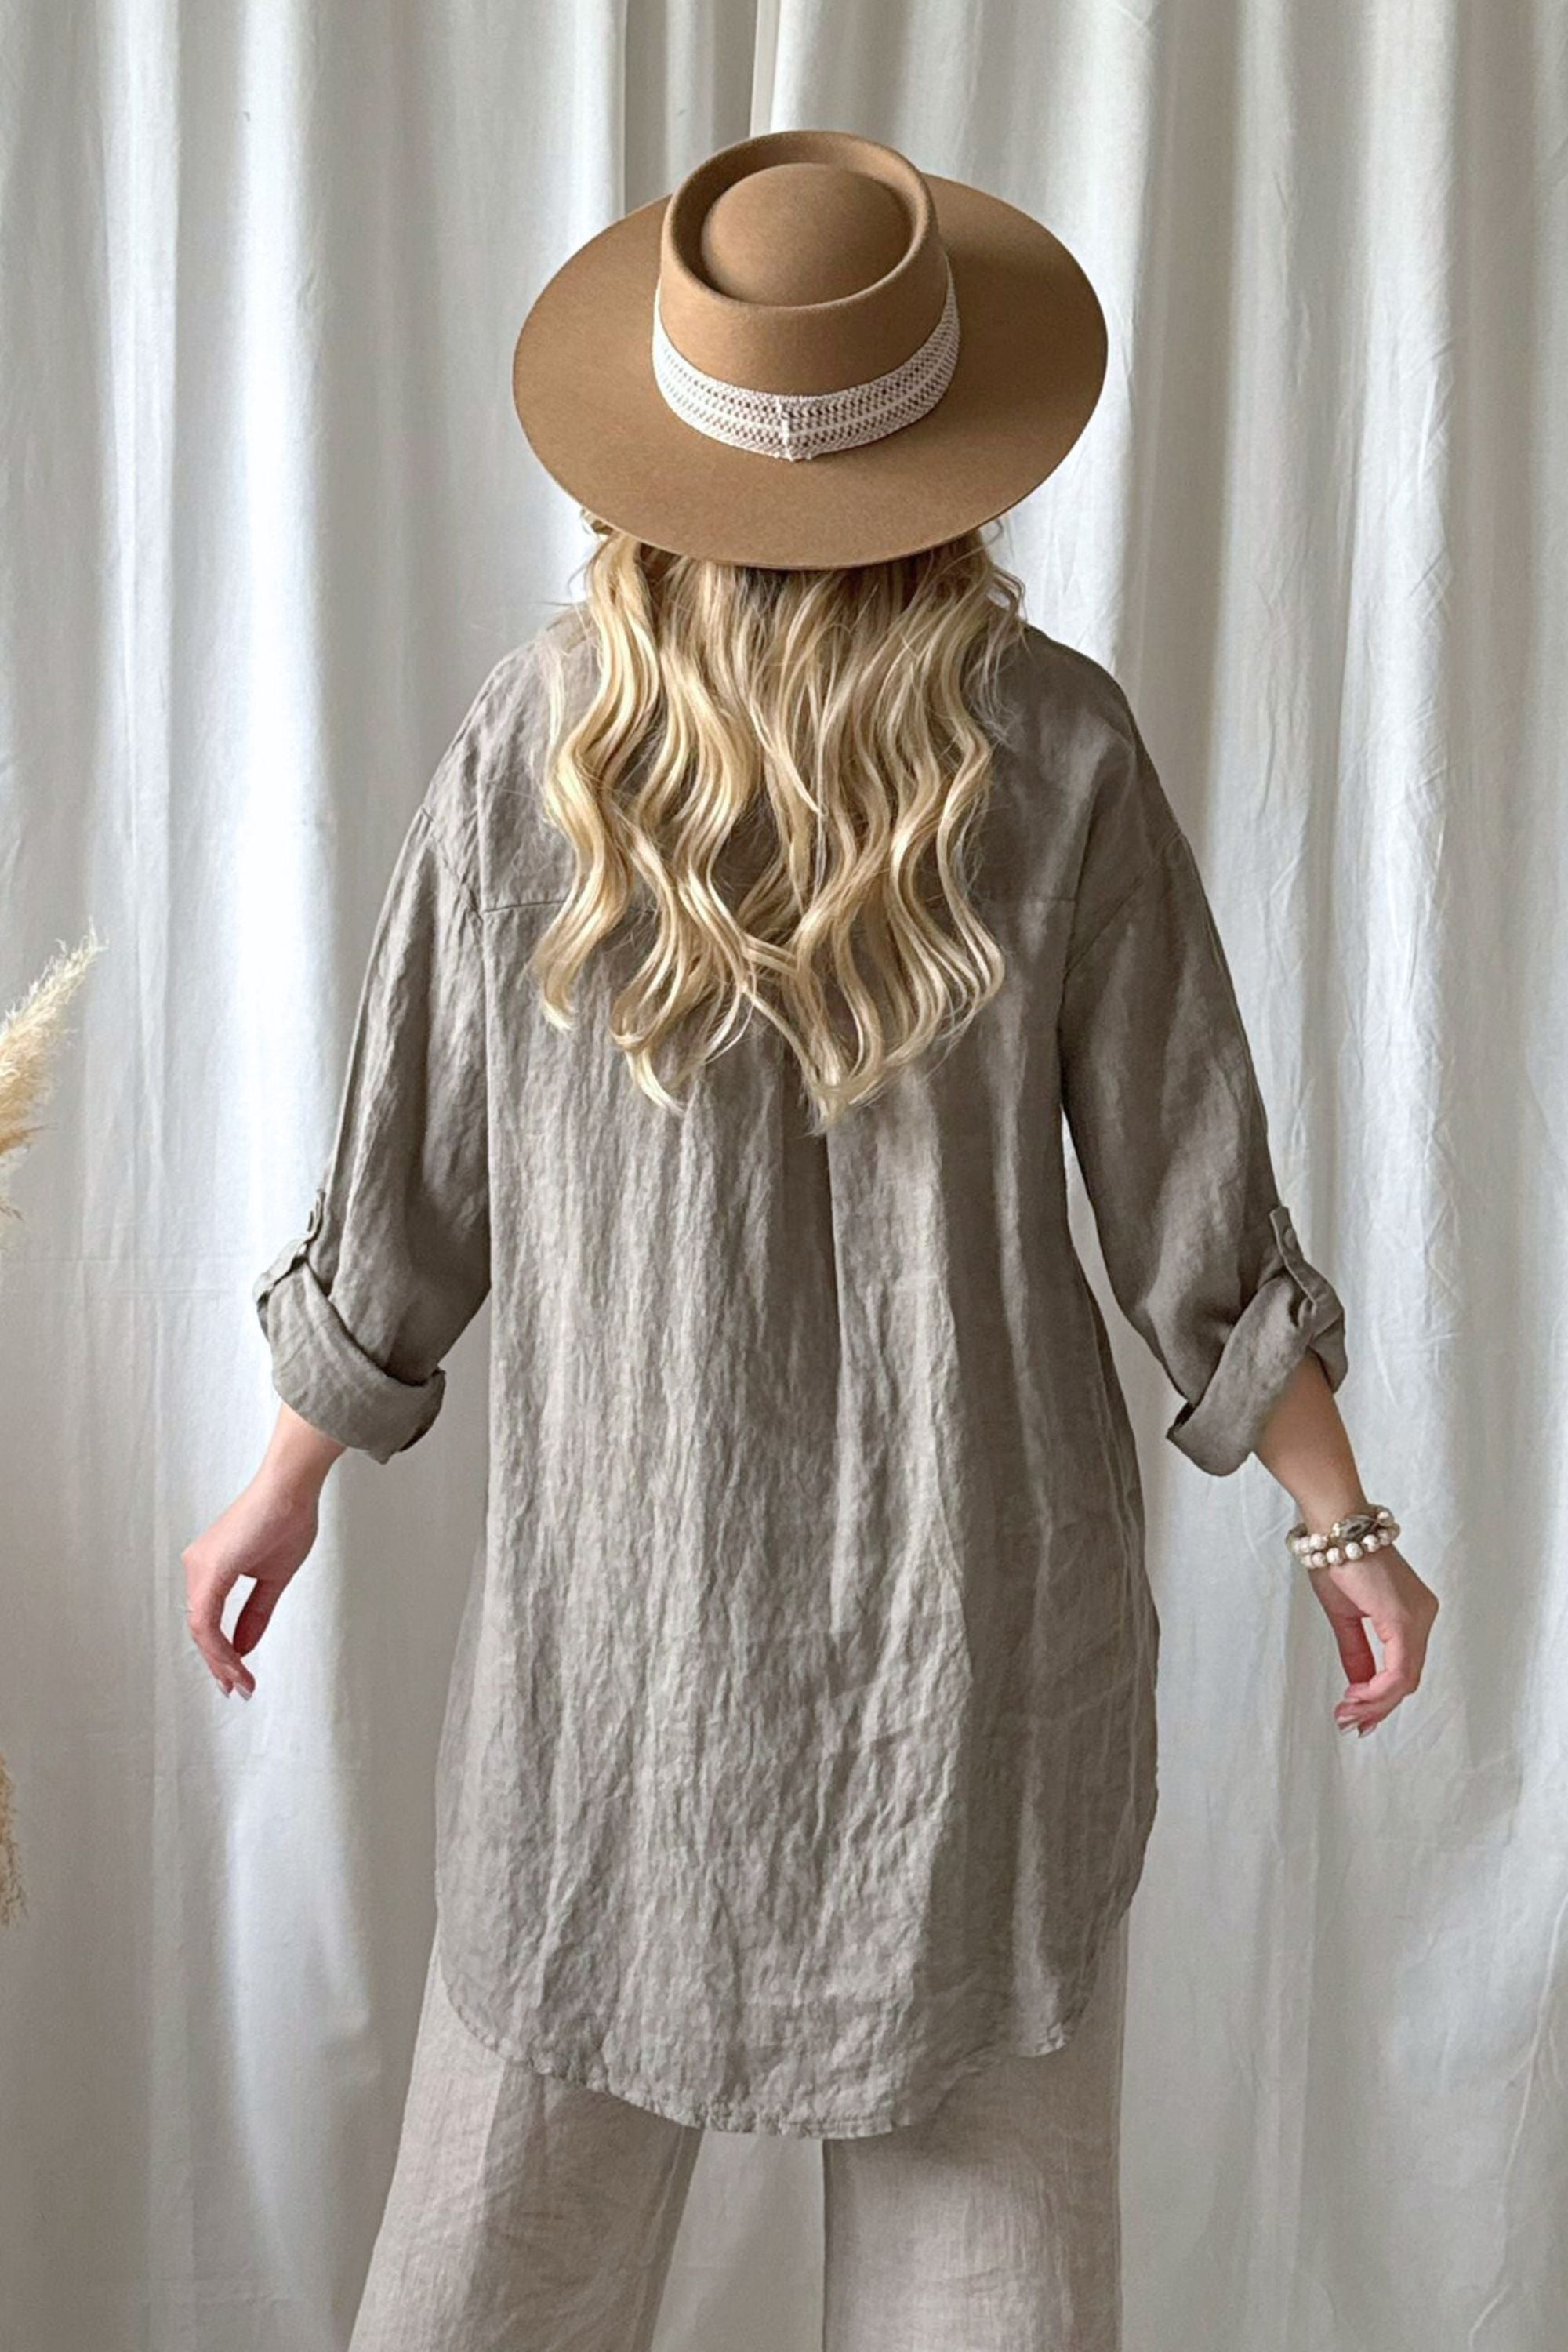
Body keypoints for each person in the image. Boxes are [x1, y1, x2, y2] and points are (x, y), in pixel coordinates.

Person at [182, 129, 1439, 2352]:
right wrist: (1346, 1532)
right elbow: (1195, 1209)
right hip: (978, 1670)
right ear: (952, 455)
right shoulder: (1052, 748)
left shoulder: (540, 746)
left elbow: (407, 1189)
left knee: (487, 2288)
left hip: (617, 1665)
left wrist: (278, 1482)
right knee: (990, 2302)